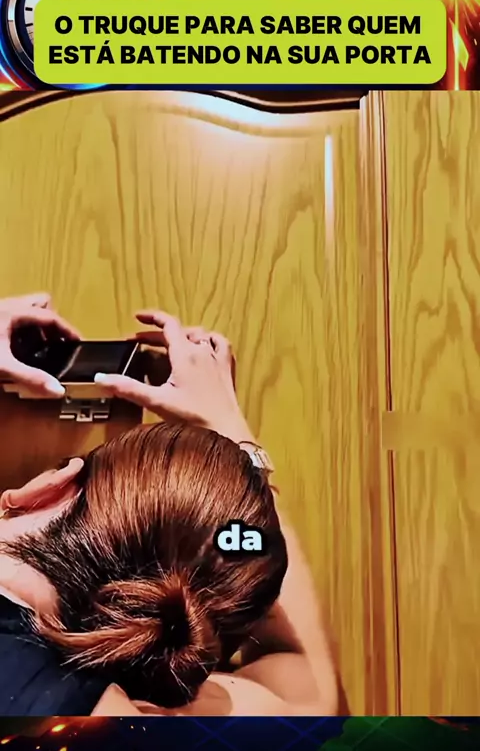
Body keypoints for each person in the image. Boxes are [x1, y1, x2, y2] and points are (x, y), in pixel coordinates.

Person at [0, 293, 339, 717]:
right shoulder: (106, 714)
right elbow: (306, 698)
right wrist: (230, 436)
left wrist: (236, 459)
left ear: (51, 486)